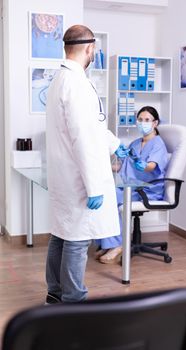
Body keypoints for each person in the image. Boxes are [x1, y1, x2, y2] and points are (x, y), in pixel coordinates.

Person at [45, 24, 128, 304]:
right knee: (77, 240)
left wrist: (117, 145)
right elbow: (83, 137)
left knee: (61, 235)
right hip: (79, 177)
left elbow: (92, 127)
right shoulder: (77, 83)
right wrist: (94, 186)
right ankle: (74, 301)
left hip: (64, 174)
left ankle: (55, 295)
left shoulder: (61, 78)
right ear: (90, 48)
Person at [95, 106, 169, 264]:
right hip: (130, 186)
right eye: (140, 120)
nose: (143, 123)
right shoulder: (135, 143)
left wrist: (143, 164)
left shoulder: (158, 144)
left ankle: (117, 244)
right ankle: (108, 243)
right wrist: (102, 165)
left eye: (147, 120)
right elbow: (122, 167)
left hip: (147, 189)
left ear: (155, 123)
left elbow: (151, 167)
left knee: (109, 197)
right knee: (103, 193)